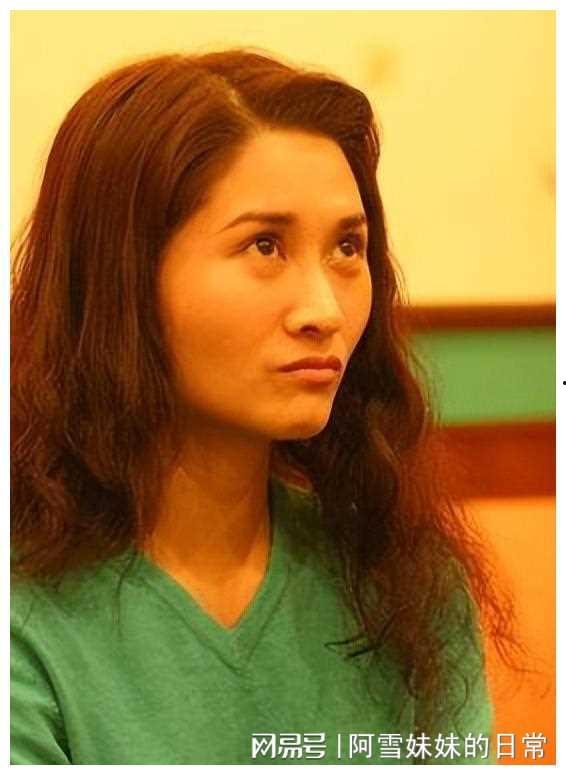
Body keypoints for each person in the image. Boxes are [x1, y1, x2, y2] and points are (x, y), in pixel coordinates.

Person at [11, 49, 515, 765]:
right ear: (122, 275)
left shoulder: (402, 581)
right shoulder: (27, 612)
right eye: (266, 245)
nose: (324, 309)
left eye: (347, 247)